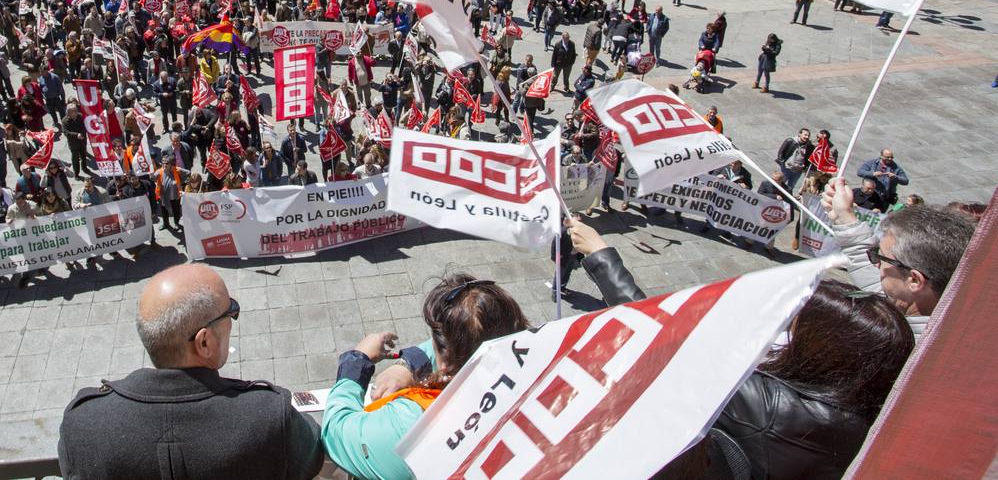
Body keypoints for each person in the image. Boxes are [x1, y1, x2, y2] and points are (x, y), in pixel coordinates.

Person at [568, 219, 915, 478]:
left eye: (795, 327)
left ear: (823, 350)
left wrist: (601, 255)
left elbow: (660, 339)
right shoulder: (871, 419)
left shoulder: (769, 408)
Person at [57, 263, 322, 479]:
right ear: (204, 342)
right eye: (230, 312)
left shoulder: (82, 424)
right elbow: (311, 457)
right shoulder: (267, 415)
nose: (232, 322)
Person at [321, 274, 530, 480]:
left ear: (446, 361)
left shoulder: (412, 425)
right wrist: (410, 363)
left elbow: (335, 433)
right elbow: (470, 344)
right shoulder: (536, 365)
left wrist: (358, 360)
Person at [822, 176, 976, 339]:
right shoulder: (956, 314)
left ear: (915, 280)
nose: (875, 264)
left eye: (880, 257)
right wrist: (843, 215)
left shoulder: (900, 351)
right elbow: (874, 281)